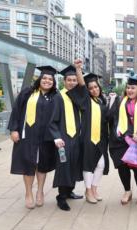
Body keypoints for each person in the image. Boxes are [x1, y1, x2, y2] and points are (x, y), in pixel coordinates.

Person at [8, 66, 58, 209]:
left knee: (42, 165)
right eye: (45, 78)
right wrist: (13, 129)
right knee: (28, 164)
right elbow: (16, 111)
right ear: (40, 79)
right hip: (27, 136)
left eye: (50, 79)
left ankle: (40, 192)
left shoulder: (55, 96)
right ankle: (28, 193)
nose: (47, 81)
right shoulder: (27, 93)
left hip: (46, 137)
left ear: (53, 82)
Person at [108, 72, 137, 206]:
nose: (129, 90)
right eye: (128, 88)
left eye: (132, 88)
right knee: (123, 167)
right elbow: (113, 117)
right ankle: (127, 191)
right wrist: (111, 102)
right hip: (122, 139)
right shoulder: (120, 101)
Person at [49, 65, 84, 211]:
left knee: (75, 164)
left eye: (74, 80)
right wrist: (56, 137)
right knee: (64, 166)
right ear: (64, 81)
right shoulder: (59, 97)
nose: (72, 83)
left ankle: (69, 191)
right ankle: (61, 197)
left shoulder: (79, 96)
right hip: (64, 138)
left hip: (77, 137)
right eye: (69, 80)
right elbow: (52, 121)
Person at [81, 72, 110, 204]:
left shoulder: (102, 100)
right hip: (88, 137)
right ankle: (88, 191)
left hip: (101, 138)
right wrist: (78, 69)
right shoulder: (86, 100)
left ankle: (94, 189)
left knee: (101, 164)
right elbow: (81, 85)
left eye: (96, 87)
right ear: (87, 90)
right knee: (88, 164)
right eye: (91, 88)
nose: (94, 89)